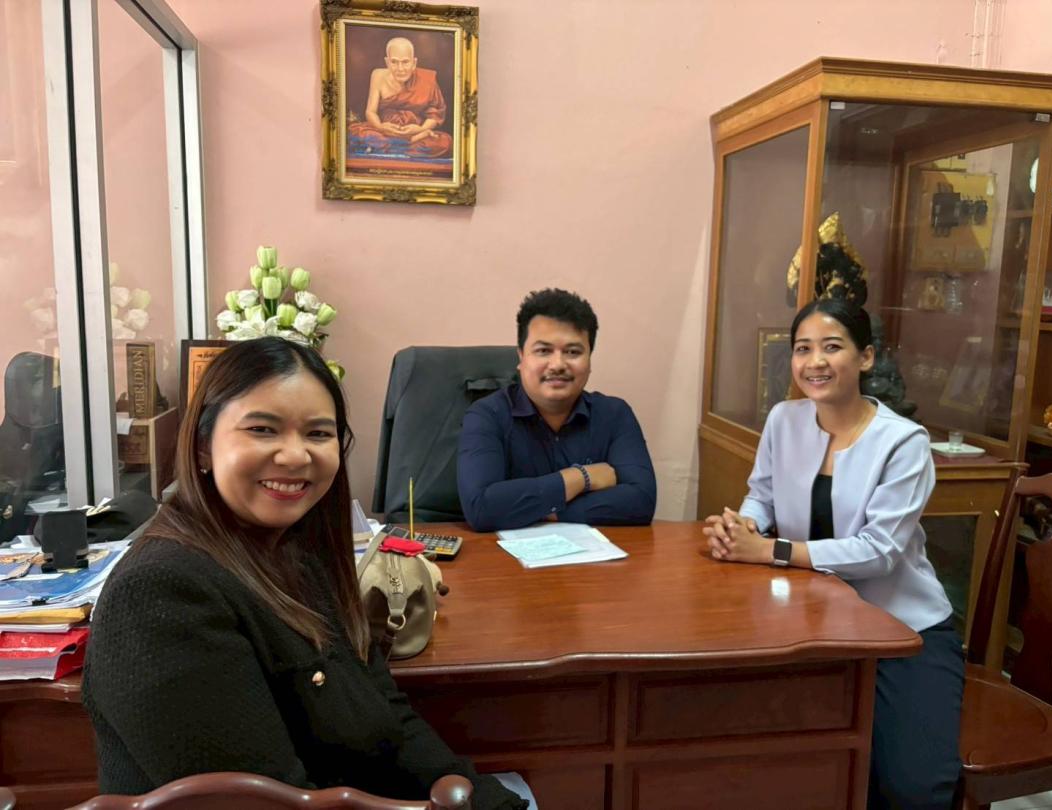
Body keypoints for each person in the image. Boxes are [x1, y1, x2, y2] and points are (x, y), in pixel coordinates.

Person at [82, 337, 526, 809]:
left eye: (318, 433)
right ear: (202, 448)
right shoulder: (161, 594)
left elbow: (390, 719)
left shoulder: (297, 553)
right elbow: (260, 805)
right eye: (262, 429)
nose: (295, 456)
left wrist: (487, 801)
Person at [702, 298, 963, 810]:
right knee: (781, 758)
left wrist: (769, 550)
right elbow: (762, 493)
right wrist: (744, 525)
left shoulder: (904, 442)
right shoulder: (784, 419)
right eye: (803, 349)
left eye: (832, 347)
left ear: (866, 357)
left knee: (911, 788)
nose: (814, 361)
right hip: (807, 620)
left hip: (900, 629)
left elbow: (879, 552)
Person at [457, 288, 656, 532]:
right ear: (521, 357)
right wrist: (582, 477)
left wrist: (541, 510)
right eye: (543, 351)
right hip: (502, 555)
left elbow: (641, 502)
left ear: (590, 359)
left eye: (573, 352)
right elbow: (481, 508)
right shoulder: (487, 415)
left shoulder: (615, 414)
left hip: (598, 556)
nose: (558, 364)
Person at [347, 37, 453, 159]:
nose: (400, 68)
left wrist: (421, 129)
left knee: (445, 142)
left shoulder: (427, 80)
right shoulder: (378, 76)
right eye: (394, 62)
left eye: (405, 62)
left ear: (414, 63)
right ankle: (407, 145)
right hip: (384, 132)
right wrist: (380, 126)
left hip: (415, 130)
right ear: (387, 62)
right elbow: (371, 111)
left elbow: (435, 114)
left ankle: (392, 147)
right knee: (358, 134)